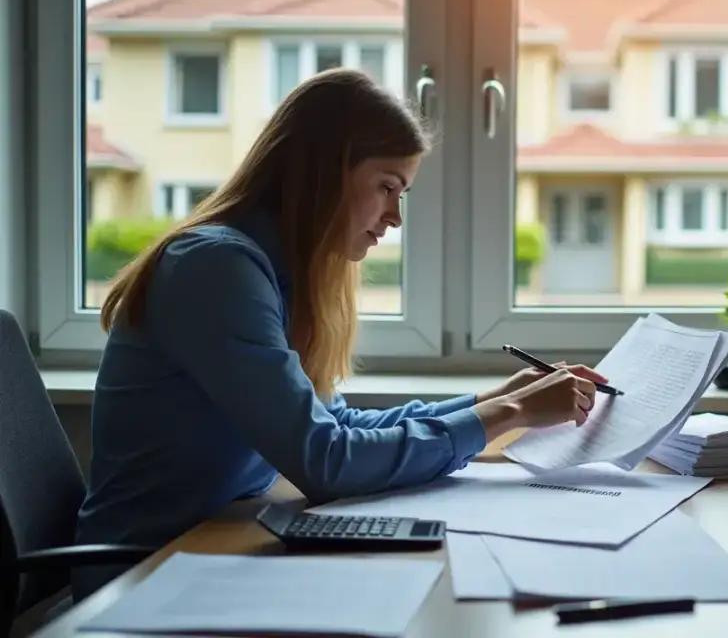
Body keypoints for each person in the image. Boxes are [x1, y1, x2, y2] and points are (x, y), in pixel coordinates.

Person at [73, 68, 603, 600]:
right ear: (324, 174)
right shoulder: (216, 268)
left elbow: (333, 423)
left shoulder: (273, 270)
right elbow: (326, 460)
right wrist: (509, 416)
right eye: (386, 187)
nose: (395, 216)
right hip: (142, 576)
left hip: (213, 545)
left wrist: (493, 399)